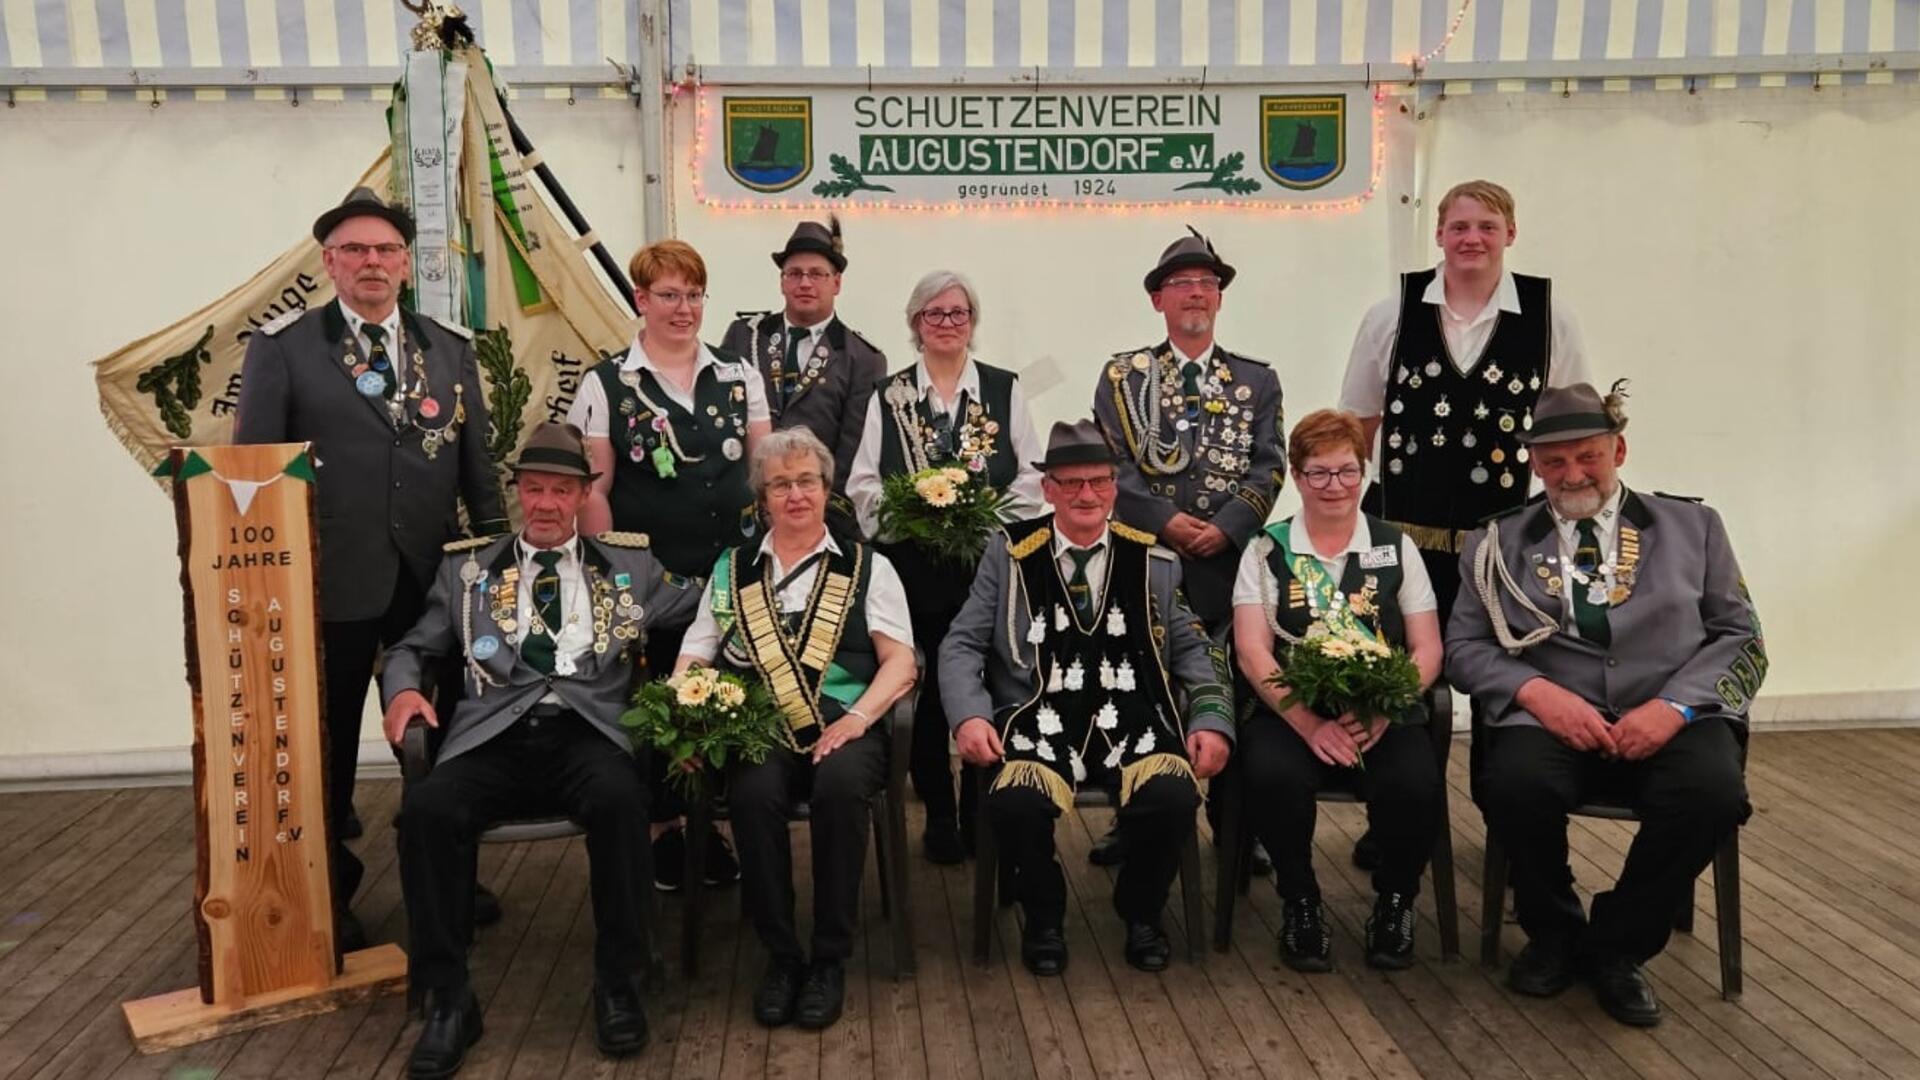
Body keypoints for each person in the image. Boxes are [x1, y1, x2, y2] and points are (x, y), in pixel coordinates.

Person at [380, 422, 699, 1077]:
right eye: (534, 489)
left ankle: (619, 983)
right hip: (491, 737)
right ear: (518, 492)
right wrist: (402, 693)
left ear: (584, 495)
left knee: (619, 802)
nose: (547, 503)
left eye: (561, 489)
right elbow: (412, 647)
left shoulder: (630, 567)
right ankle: (447, 1000)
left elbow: (711, 605)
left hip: (590, 735)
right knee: (426, 814)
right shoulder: (466, 570)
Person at [235, 186, 506, 948]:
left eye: (386, 250)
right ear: (328, 263)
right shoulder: (284, 349)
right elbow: (257, 480)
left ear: (406, 266)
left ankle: (447, 869)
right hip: (327, 585)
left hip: (430, 584)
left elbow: (477, 469)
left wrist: (494, 565)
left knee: (449, 735)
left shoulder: (448, 348)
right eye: (355, 250)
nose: (372, 263)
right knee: (321, 745)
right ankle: (328, 886)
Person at [1448, 382, 1763, 1028]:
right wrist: (1535, 693)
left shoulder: (1694, 527)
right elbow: (1464, 648)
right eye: (1555, 461)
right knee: (1511, 783)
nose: (1573, 474)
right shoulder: (1495, 542)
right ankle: (1554, 933)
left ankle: (1617, 945)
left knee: (1711, 793)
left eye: (1588, 456)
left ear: (1618, 449)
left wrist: (1674, 707)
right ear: (1534, 463)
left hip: (1672, 717)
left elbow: (1742, 638)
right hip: (1552, 719)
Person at [1337, 179, 1593, 870]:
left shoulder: (1550, 317)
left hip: (1510, 545)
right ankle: (1399, 820)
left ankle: (1511, 824)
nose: (1471, 239)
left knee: (1507, 681)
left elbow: (1568, 424)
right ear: (1440, 235)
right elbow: (1358, 420)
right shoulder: (1392, 310)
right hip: (1404, 541)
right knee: (1393, 677)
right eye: (1458, 227)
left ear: (1511, 232)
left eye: (1485, 226)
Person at [939, 420, 1234, 975]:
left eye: (1097, 481)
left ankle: (1142, 910)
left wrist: (1213, 719)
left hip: (1134, 714)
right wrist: (969, 718)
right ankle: (1044, 916)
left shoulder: (1155, 560)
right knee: (1015, 801)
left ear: (1114, 487)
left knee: (1173, 798)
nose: (1085, 495)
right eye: (1070, 483)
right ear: (1047, 488)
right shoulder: (1008, 554)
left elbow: (1197, 652)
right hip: (1036, 715)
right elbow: (961, 643)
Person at [674, 428, 917, 1031]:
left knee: (839, 789)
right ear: (762, 499)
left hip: (847, 726)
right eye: (780, 484)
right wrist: (687, 720)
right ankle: (782, 956)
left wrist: (861, 718)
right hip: (760, 727)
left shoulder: (869, 567)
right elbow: (693, 656)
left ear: (827, 489)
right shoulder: (732, 570)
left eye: (806, 480)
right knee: (753, 796)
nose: (795, 494)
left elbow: (901, 663)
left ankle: (829, 958)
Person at [568, 238, 772, 890]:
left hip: (732, 573)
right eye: (668, 295)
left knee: (734, 691)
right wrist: (619, 582)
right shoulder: (606, 384)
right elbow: (593, 490)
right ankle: (664, 832)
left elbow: (766, 474)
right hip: (652, 582)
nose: (683, 308)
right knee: (657, 701)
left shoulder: (740, 375)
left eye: (692, 294)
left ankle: (716, 825)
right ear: (641, 300)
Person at [1090, 227, 1284, 866]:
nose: (1195, 293)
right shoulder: (1124, 378)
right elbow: (1113, 467)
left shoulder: (1258, 380)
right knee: (1137, 678)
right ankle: (1134, 816)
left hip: (1229, 563)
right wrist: (1168, 522)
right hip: (1149, 556)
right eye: (1181, 284)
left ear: (1219, 299)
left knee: (1234, 688)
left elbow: (1270, 467)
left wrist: (1226, 527)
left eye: (1207, 283)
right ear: (1158, 301)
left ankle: (1238, 825)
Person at [1230, 409, 1444, 972]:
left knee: (1415, 781)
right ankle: (1300, 903)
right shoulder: (1265, 549)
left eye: (1347, 472)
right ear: (1298, 478)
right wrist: (1307, 722)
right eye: (1319, 473)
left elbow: (1428, 649)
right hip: (1290, 714)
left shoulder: (1397, 547)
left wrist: (1385, 709)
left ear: (1364, 473)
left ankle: (1397, 902)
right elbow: (1253, 650)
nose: (1335, 486)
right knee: (1273, 777)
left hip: (1381, 713)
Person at [846, 270, 1045, 864]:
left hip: (988, 565)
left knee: (989, 676)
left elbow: (1032, 479)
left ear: (973, 323)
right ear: (915, 325)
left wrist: (975, 518)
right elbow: (862, 484)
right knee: (924, 688)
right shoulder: (889, 396)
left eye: (958, 313)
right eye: (934, 314)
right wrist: (913, 519)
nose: (948, 324)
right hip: (911, 568)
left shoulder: (1004, 390)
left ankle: (980, 806)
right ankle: (936, 809)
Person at [719, 217, 888, 538]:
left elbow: (852, 454)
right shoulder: (745, 337)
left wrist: (807, 511)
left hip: (820, 519)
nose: (805, 284)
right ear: (782, 282)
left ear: (836, 283)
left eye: (817, 274)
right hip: (745, 516)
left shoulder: (863, 358)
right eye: (795, 274)